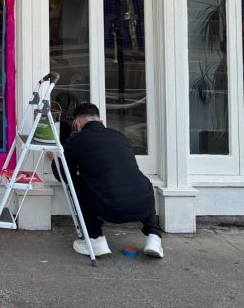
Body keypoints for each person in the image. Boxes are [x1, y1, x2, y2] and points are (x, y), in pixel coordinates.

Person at [55, 102, 163, 259]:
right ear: (101, 121)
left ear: (78, 124)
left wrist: (56, 160)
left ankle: (95, 239)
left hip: (110, 209)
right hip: (142, 206)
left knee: (76, 183)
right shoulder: (120, 136)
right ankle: (154, 238)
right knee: (138, 181)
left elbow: (65, 176)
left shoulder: (77, 140)